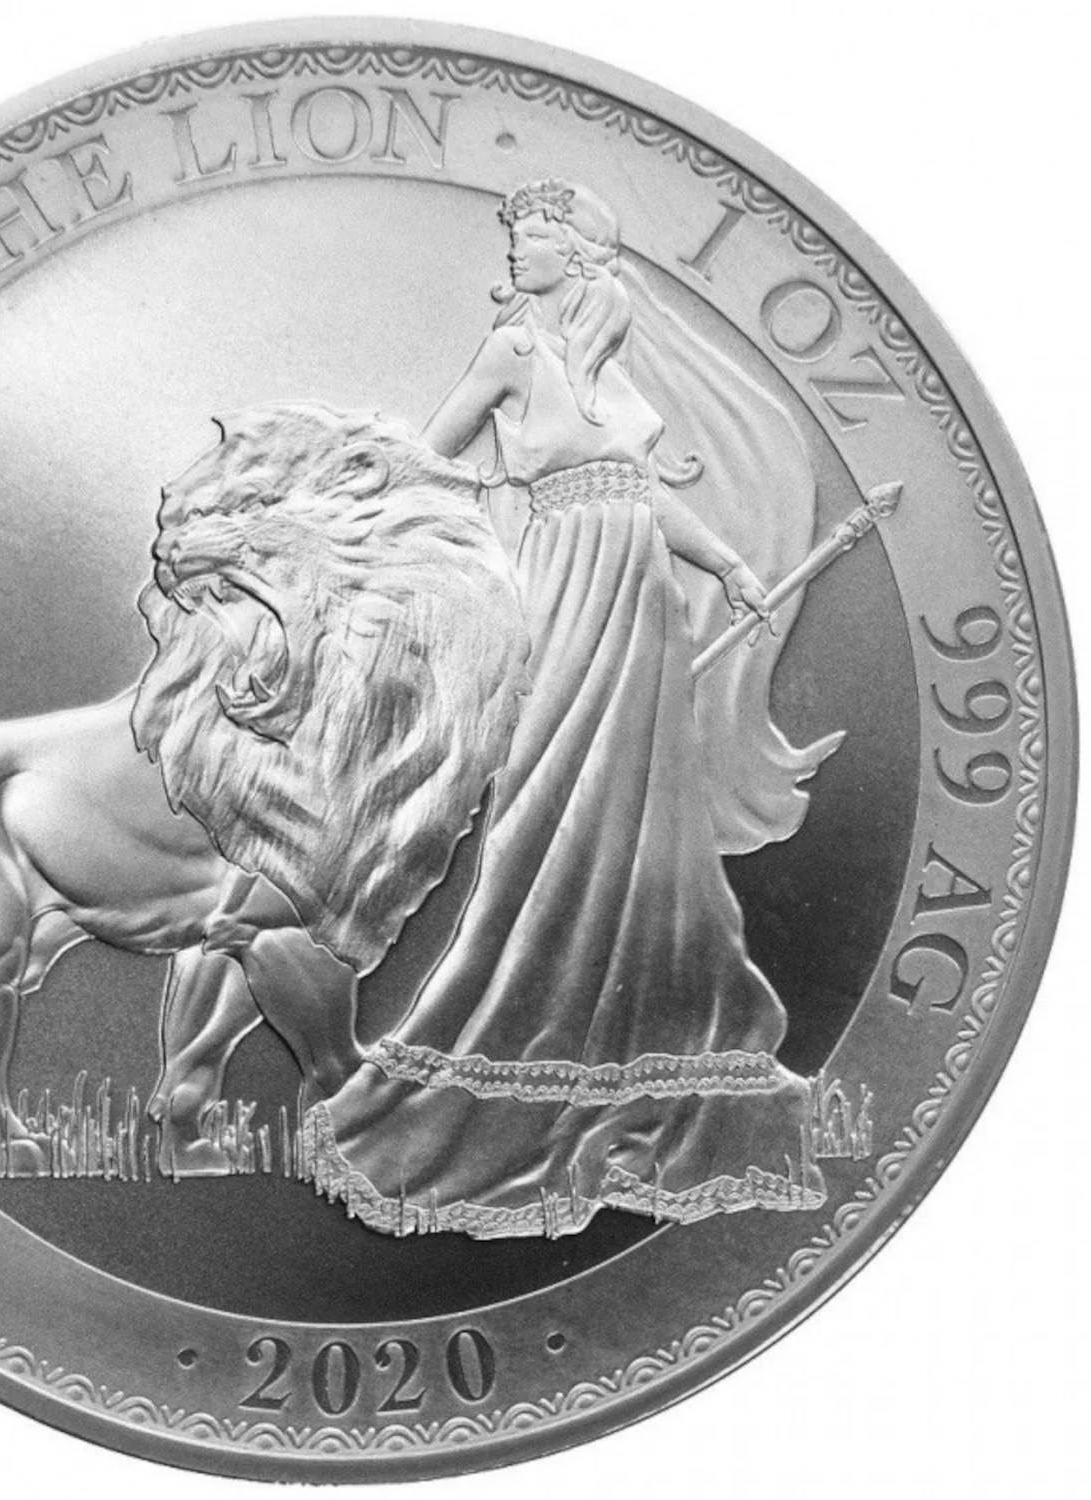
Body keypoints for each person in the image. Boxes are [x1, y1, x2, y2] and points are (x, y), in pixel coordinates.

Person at [302, 179, 840, 1238]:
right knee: (545, 801)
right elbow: (429, 454)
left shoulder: (609, 367)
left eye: (533, 234)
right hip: (561, 588)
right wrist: (362, 507)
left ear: (578, 254)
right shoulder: (512, 351)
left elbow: (636, 492)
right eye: (517, 233)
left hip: (641, 597)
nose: (516, 247)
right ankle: (514, 1026)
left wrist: (728, 564)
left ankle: (646, 1042)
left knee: (646, 813)